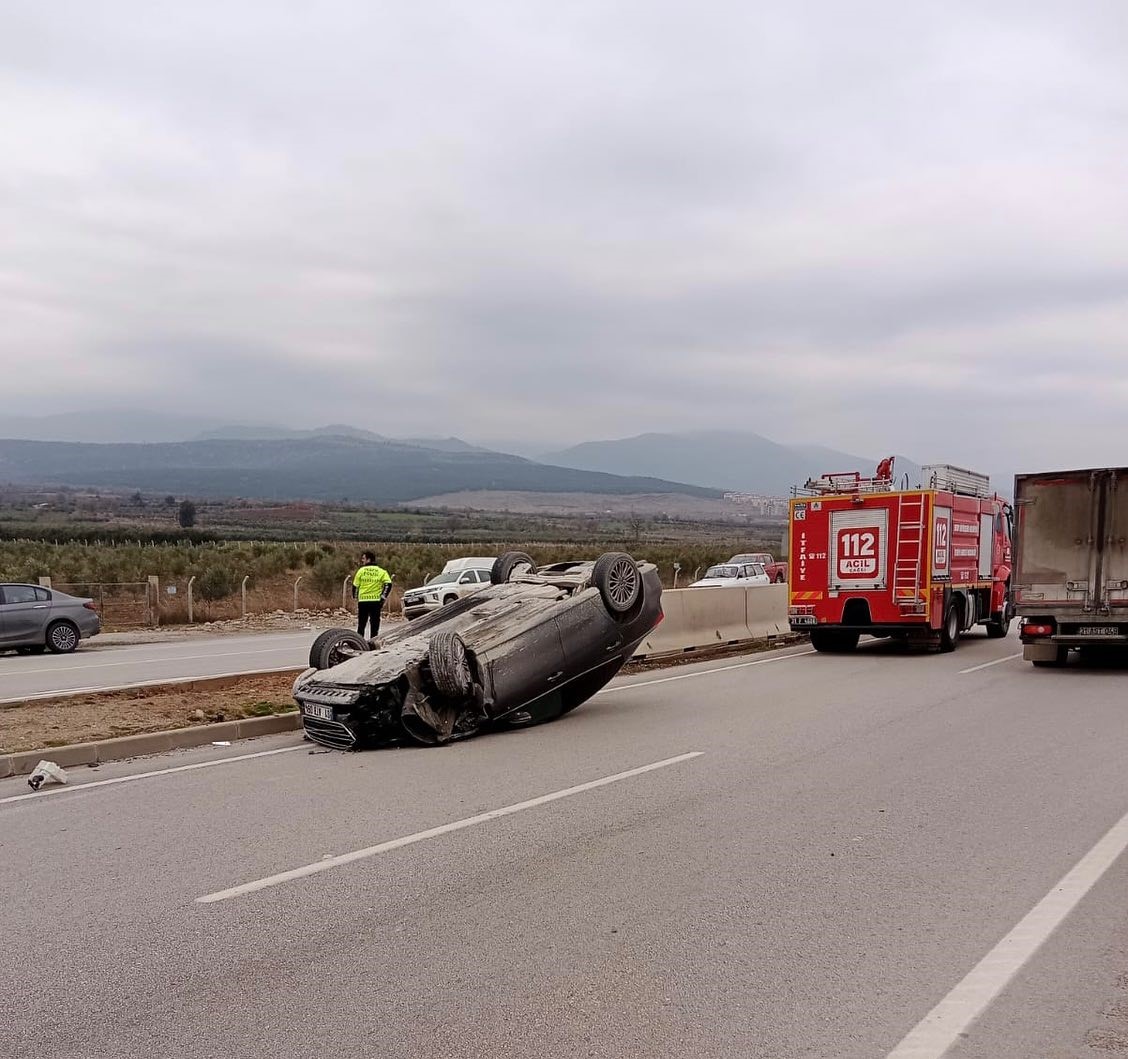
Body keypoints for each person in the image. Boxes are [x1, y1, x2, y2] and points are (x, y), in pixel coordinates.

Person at [352, 550, 392, 639]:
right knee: (375, 624)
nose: (362, 561)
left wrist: (355, 597)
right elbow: (388, 584)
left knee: (361, 624)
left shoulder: (361, 571)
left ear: (369, 559)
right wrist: (383, 597)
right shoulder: (381, 571)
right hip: (376, 601)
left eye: (363, 558)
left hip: (363, 601)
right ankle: (373, 643)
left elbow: (355, 586)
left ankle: (359, 643)